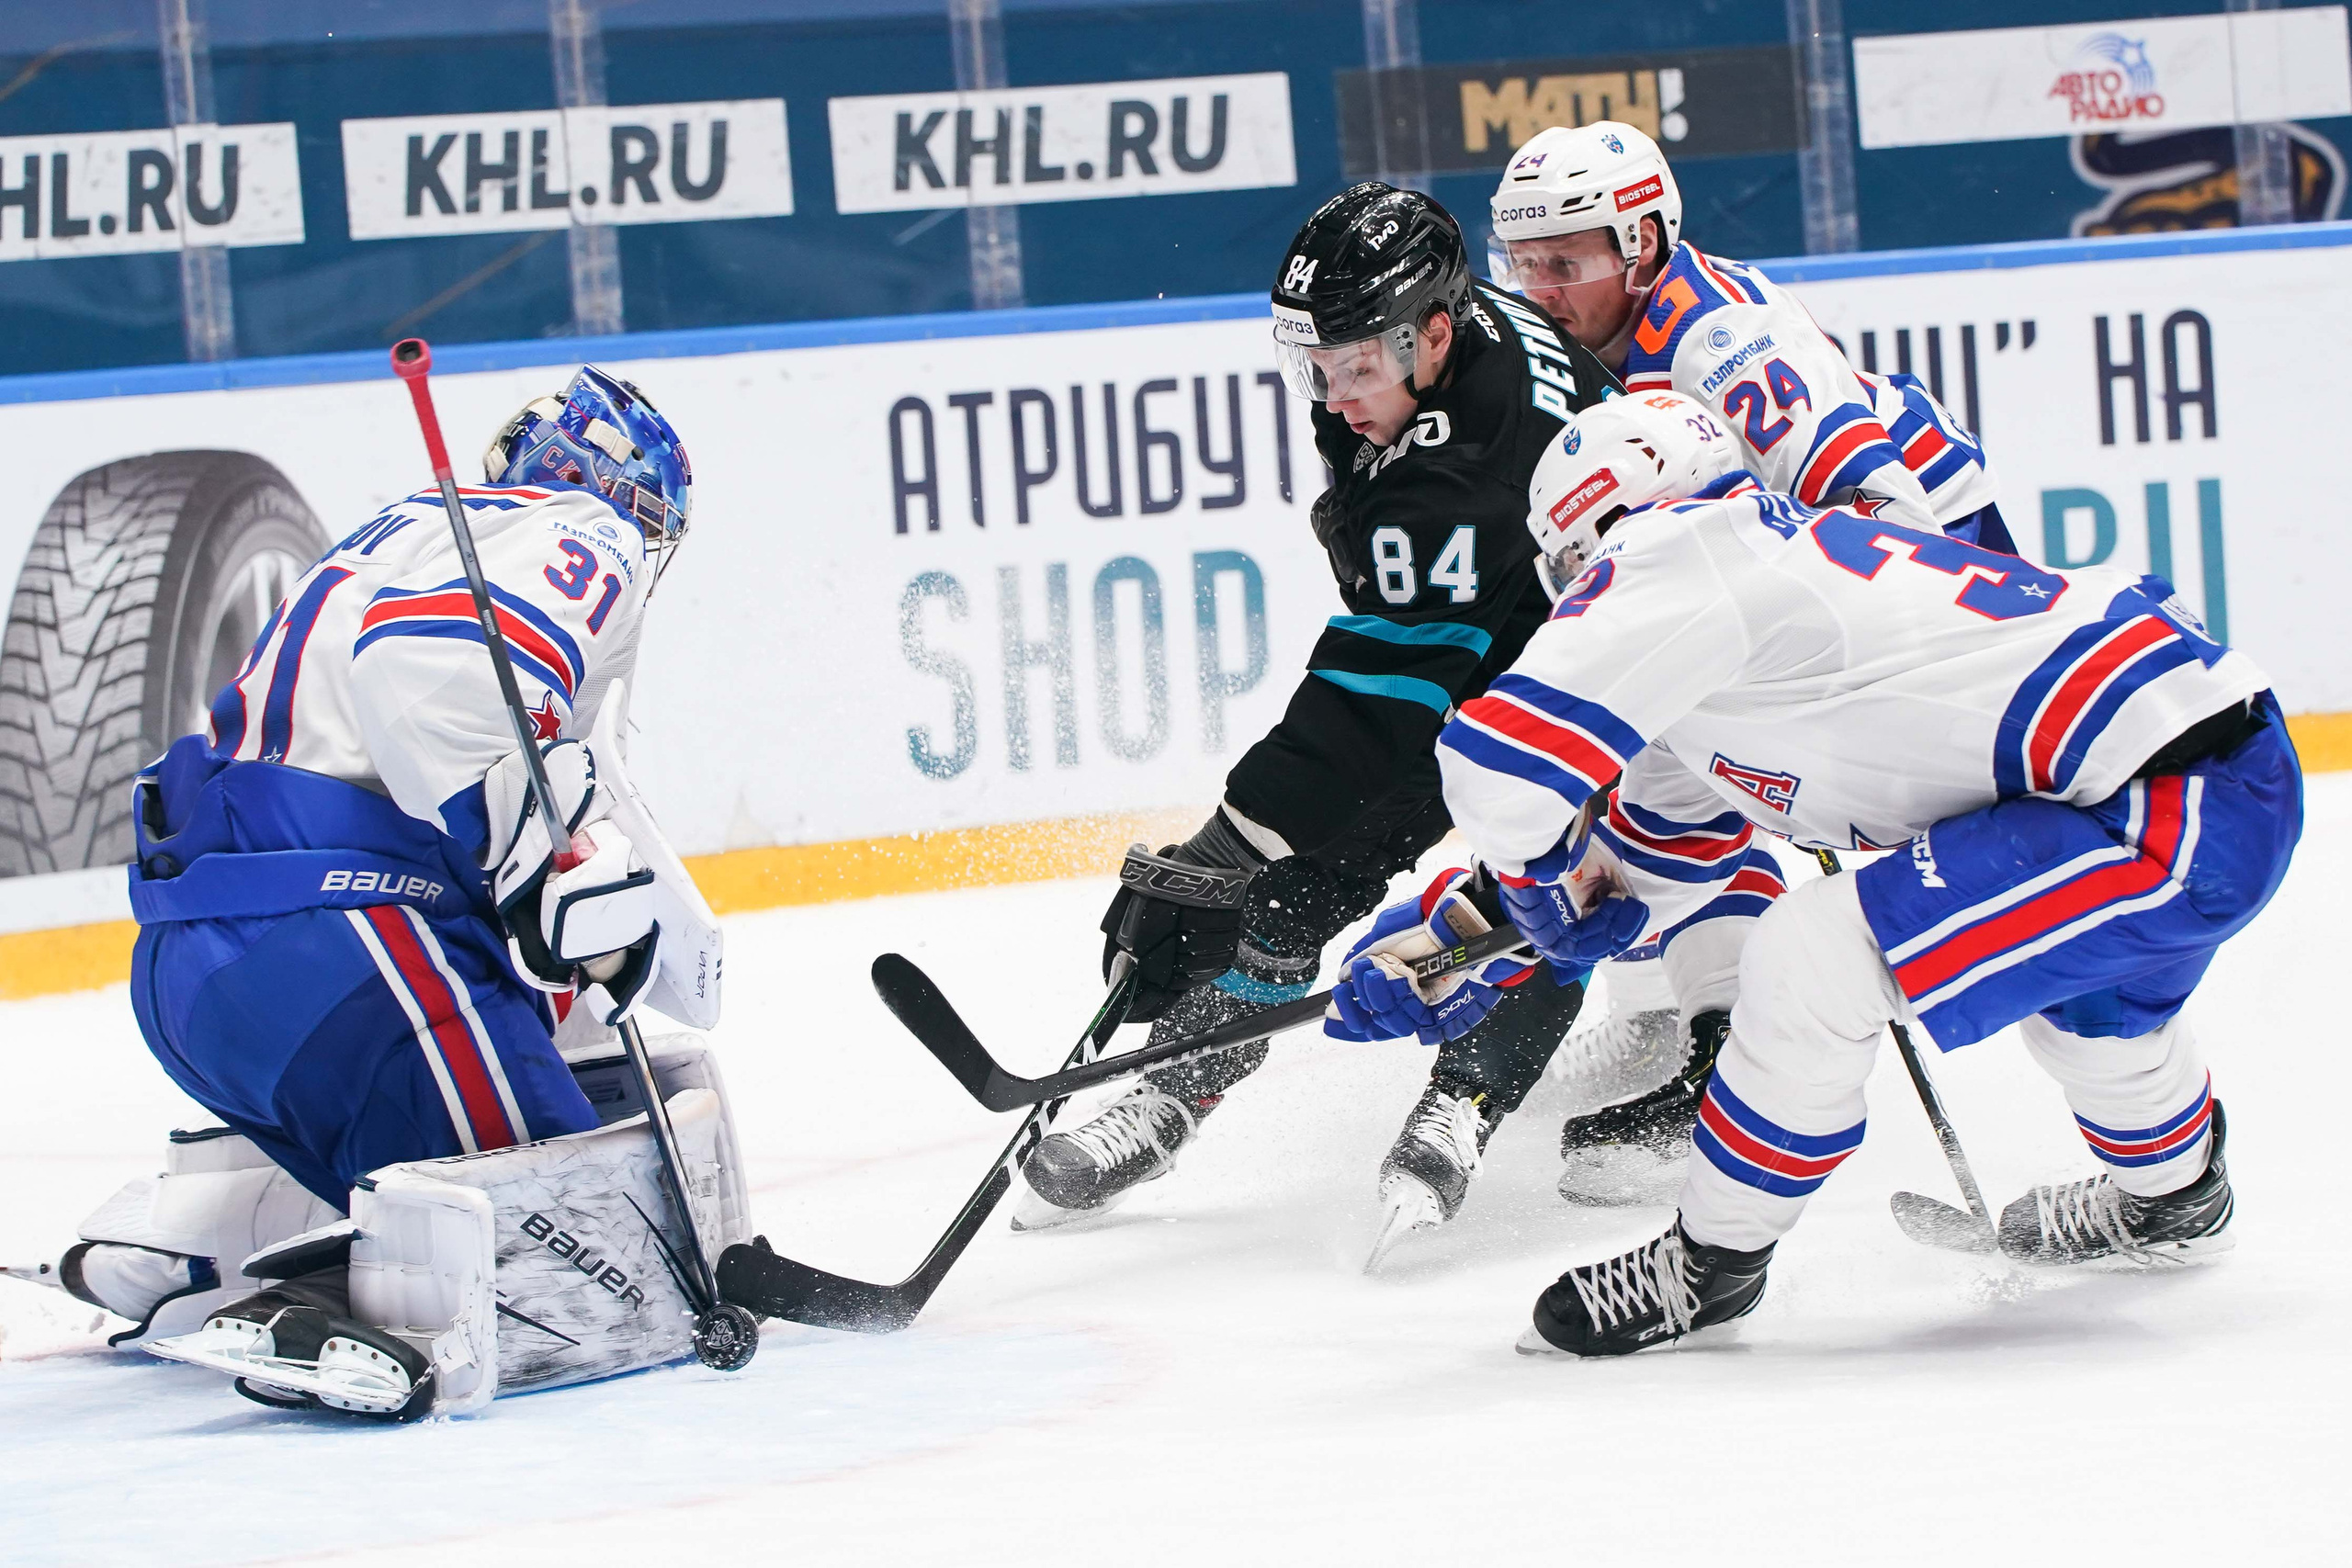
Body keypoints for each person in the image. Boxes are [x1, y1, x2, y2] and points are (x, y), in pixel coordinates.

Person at [1328, 390, 2295, 1355]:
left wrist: (1531, 888)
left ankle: (1705, 1267)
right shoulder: (1748, 599)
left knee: (1817, 949)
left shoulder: (1681, 549)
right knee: (2094, 1018)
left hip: (2170, 806)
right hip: (2190, 780)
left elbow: (1498, 767)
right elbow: (1648, 861)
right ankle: (2175, 1202)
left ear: (1591, 533)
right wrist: (1455, 942)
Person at [1017, 182, 1763, 1265]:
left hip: (1618, 666)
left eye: (1356, 368)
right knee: (1304, 878)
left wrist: (1222, 847)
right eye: (1315, 368)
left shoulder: (1464, 447)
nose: (1333, 396)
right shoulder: (1419, 353)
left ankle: (1461, 1105)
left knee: (1538, 880)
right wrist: (1261, 857)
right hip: (1505, 616)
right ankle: (1176, 1093)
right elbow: (1397, 660)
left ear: (1436, 333)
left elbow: (1373, 698)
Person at [16, 367, 732, 1416]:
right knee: (586, 1261)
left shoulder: (403, 534)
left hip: (200, 964)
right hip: (345, 947)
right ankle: (325, 1298)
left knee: (460, 1114)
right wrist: (524, 860)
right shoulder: (581, 528)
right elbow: (435, 666)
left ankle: (196, 1239)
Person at [1486, 120, 2019, 1198]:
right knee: (1660, 760)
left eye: (1566, 264)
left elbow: (1881, 514)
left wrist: (1818, 677)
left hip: (1927, 568)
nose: (1540, 290)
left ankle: (1728, 1064)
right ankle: (1668, 1024)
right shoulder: (1604, 326)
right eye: (1523, 264)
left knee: (1694, 758)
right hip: (1820, 568)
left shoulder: (1723, 348)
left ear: (1641, 243)